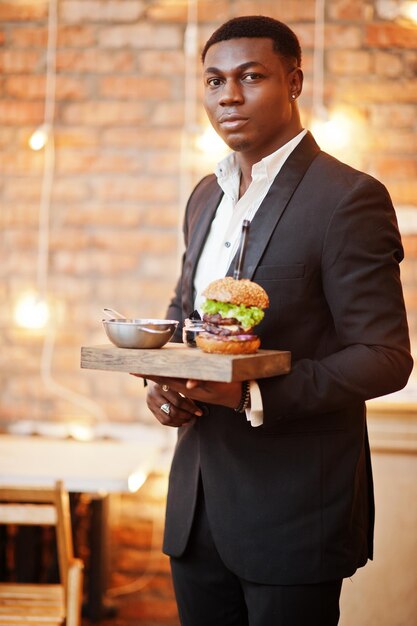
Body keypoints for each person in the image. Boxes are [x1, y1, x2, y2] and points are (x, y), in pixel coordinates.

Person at [138, 15, 413, 626]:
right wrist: (163, 384)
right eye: (213, 81)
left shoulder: (348, 198)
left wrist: (252, 393)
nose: (227, 96)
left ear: (293, 82)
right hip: (195, 509)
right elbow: (185, 315)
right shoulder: (203, 197)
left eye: (250, 77)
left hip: (294, 516)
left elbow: (386, 356)